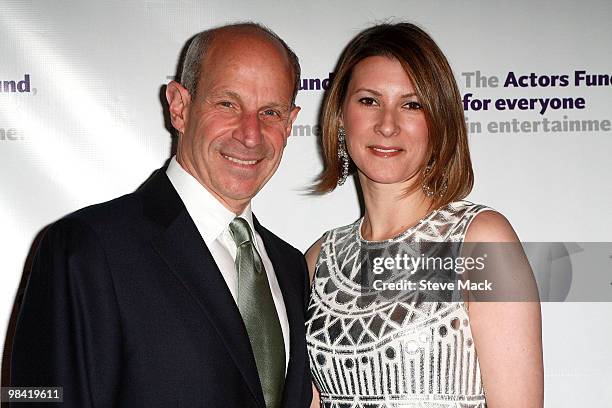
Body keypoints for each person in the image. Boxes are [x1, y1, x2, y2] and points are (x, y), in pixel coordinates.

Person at [10, 23, 312, 408]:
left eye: (270, 112)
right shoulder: (86, 248)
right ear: (180, 106)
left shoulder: (290, 268)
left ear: (290, 123)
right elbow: (37, 400)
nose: (250, 134)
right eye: (227, 104)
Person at [305, 23, 543, 407]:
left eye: (412, 105)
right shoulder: (320, 261)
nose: (387, 124)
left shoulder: (478, 242)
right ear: (339, 117)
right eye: (369, 100)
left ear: (439, 123)